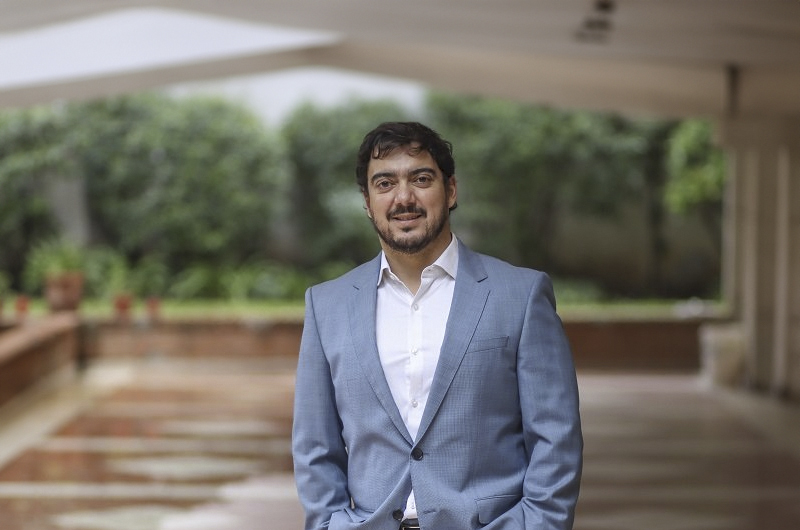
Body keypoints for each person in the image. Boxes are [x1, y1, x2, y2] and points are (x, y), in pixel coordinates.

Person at [292, 121, 582, 530]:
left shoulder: (521, 295)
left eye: (421, 179)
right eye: (385, 183)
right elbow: (315, 448)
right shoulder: (327, 306)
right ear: (368, 202)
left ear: (451, 190)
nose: (403, 198)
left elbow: (556, 438)